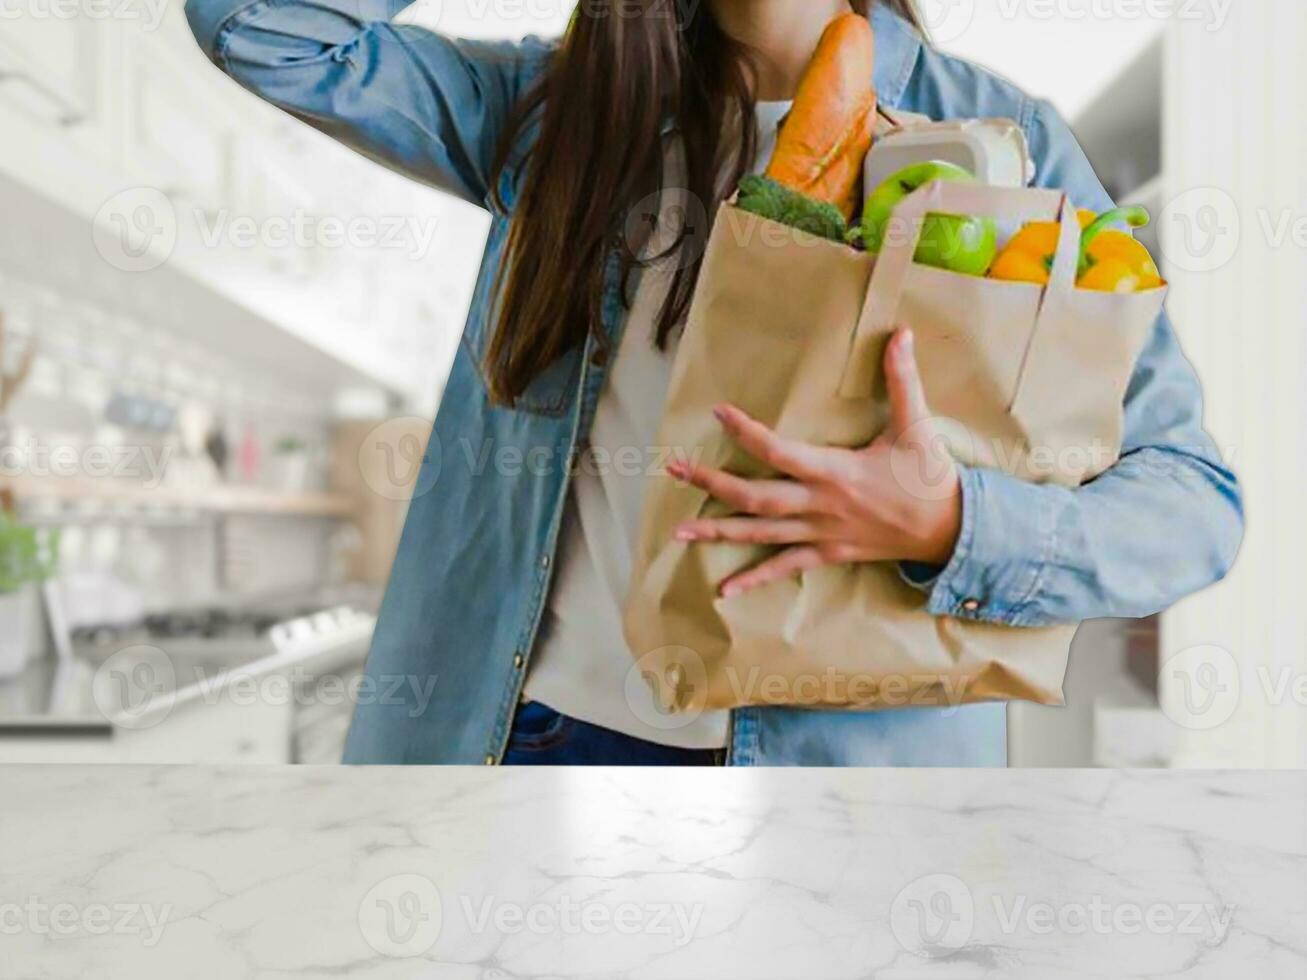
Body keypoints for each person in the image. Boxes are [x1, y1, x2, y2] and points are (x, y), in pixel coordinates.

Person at [184, 0, 1243, 766]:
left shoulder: (1003, 148)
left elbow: (1190, 506)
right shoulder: (550, 114)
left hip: (841, 797)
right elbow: (256, 23)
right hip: (526, 750)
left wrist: (950, 522)